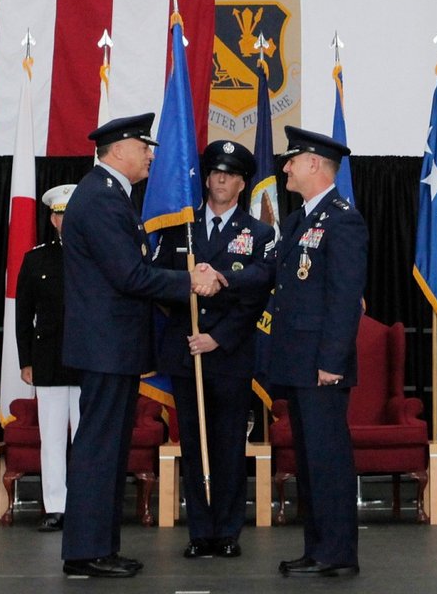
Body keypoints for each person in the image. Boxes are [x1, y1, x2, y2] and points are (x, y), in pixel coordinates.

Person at [59, 114, 224, 579]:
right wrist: (190, 280)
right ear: (116, 150)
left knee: (109, 450)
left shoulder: (109, 195)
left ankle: (98, 547)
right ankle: (86, 550)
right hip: (105, 347)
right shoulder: (100, 200)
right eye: (143, 146)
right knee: (99, 449)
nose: (151, 153)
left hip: (112, 346)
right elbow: (130, 276)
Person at [154, 139, 276, 559]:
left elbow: (259, 291)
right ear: (205, 178)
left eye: (230, 175)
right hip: (186, 350)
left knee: (226, 445)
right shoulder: (178, 228)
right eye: (215, 173)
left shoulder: (258, 234)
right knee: (193, 443)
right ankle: (199, 531)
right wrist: (188, 292)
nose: (221, 180)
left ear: (243, 183)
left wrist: (218, 336)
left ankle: (226, 531)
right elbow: (157, 282)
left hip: (229, 354)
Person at [265, 126, 367, 579]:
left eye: (292, 160)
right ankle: (317, 547)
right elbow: (275, 280)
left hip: (322, 365)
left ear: (314, 165)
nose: (285, 167)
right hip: (298, 361)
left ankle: (339, 552)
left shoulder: (342, 219)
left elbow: (346, 298)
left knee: (329, 461)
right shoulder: (296, 220)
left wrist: (332, 361)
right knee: (309, 461)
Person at [15, 182, 81, 532]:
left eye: (71, 214)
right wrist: (26, 360)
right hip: (50, 358)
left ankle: (86, 505)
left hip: (89, 359)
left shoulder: (97, 251)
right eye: (60, 214)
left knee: (86, 438)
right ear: (53, 219)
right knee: (52, 437)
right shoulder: (36, 257)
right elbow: (23, 314)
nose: (65, 220)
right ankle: (56, 506)